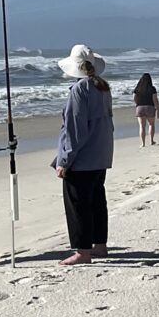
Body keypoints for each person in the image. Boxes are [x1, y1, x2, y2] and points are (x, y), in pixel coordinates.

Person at [53, 44, 114, 266]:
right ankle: (100, 245)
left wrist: (64, 160)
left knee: (78, 205)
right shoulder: (102, 87)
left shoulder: (80, 90)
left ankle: (83, 251)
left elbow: (75, 129)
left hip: (84, 158)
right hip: (101, 154)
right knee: (97, 201)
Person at [133, 72, 159, 146]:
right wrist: (158, 110)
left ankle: (143, 143)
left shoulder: (137, 88)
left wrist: (137, 104)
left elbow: (134, 98)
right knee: (151, 124)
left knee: (142, 126)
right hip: (150, 107)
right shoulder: (152, 88)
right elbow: (155, 100)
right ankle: (151, 141)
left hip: (140, 108)